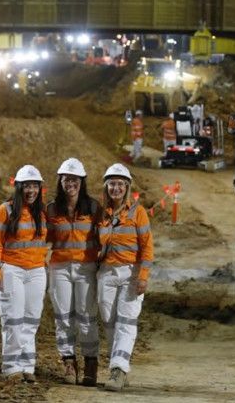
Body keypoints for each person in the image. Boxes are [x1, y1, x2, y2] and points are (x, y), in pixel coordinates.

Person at [96, 163, 153, 392]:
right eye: (112, 184)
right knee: (109, 321)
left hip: (131, 273)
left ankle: (118, 370)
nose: (116, 188)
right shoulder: (101, 213)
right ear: (106, 186)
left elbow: (147, 247)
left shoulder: (137, 212)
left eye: (120, 184)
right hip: (106, 273)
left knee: (126, 321)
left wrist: (143, 276)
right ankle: (118, 365)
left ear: (127, 187)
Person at [0, 164, 48, 384]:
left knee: (31, 319)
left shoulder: (41, 212)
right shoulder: (5, 210)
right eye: (27, 186)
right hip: (12, 270)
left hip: (36, 271)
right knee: (13, 319)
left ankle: (27, 365)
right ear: (19, 187)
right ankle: (11, 366)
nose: (31, 190)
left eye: (35, 186)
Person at [46, 158, 101, 386]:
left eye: (75, 180)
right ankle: (69, 363)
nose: (71, 184)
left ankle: (90, 363)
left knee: (86, 317)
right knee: (63, 318)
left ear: (82, 182)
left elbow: (104, 237)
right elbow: (44, 238)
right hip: (59, 268)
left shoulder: (94, 207)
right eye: (67, 180)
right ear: (60, 181)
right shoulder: (51, 208)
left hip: (86, 268)